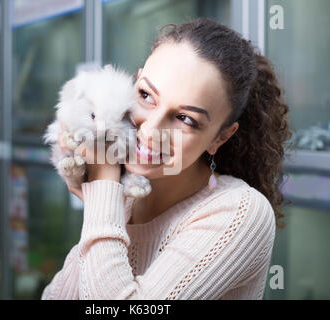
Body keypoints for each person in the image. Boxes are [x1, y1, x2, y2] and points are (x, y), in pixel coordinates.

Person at [41, 17, 292, 300]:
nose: (150, 130)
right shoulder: (127, 194)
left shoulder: (242, 212)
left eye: (185, 118)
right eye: (146, 95)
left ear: (219, 137)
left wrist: (102, 181)